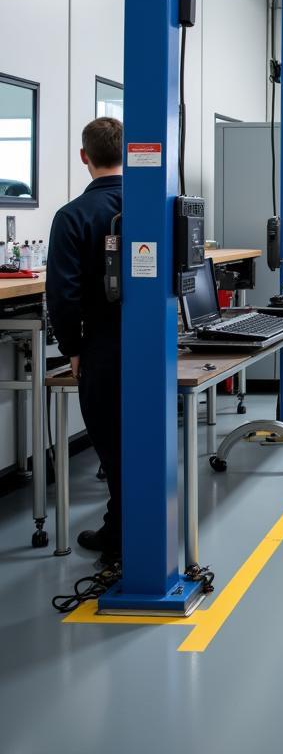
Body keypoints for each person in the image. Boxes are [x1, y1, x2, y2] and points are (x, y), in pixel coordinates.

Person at [46, 117, 124, 562]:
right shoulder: (155, 207)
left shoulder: (73, 216)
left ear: (84, 157)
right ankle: (142, 523)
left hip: (101, 346)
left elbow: (62, 292)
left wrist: (72, 348)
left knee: (111, 444)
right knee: (146, 436)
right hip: (154, 343)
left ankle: (119, 534)